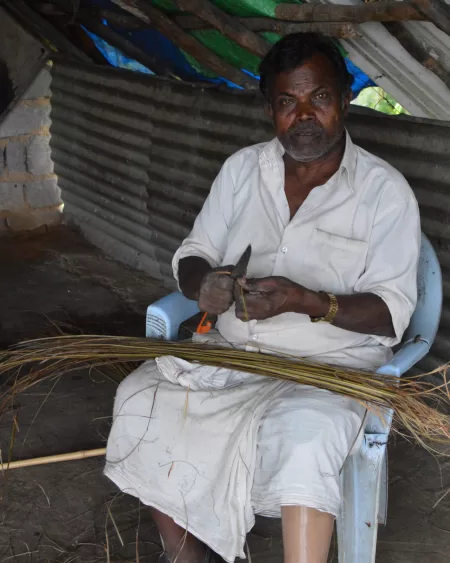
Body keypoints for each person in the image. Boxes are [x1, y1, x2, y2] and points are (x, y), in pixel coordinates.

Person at [105, 33, 420, 563]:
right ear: (269, 109)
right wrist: (204, 285)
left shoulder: (385, 193)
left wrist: (307, 301)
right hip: (234, 355)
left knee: (305, 439)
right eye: (287, 102)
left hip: (330, 369)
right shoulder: (242, 170)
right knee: (141, 397)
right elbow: (194, 254)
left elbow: (392, 315)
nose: (304, 115)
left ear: (345, 100)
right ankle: (187, 556)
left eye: (319, 97)